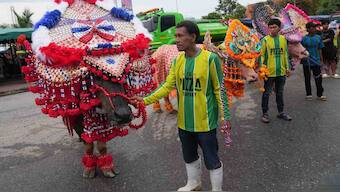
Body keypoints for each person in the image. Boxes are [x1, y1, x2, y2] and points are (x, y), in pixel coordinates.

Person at [132, 20, 231, 191]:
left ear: (192, 37)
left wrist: (225, 117)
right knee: (189, 155)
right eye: (175, 36)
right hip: (184, 122)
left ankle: (217, 189)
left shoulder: (210, 59)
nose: (176, 40)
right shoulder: (177, 61)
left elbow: (219, 90)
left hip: (205, 122)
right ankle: (194, 183)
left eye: (180, 36)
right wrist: (144, 100)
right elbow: (167, 86)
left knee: (211, 158)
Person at [259, 18, 292, 123]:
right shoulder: (265, 40)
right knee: (266, 93)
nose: (272, 29)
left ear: (279, 28)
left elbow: (286, 54)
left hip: (281, 72)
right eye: (270, 27)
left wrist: (288, 68)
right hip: (269, 73)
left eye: (274, 27)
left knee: (280, 93)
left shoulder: (283, 39)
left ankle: (281, 112)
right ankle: (265, 114)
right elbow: (262, 56)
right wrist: (262, 70)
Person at [301, 22, 327, 101]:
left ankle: (320, 94)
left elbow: (320, 49)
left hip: (316, 61)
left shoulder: (318, 37)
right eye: (312, 27)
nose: (314, 29)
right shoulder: (303, 38)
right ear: (308, 29)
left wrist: (321, 60)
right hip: (307, 62)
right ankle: (309, 94)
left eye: (314, 27)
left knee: (318, 78)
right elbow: (301, 50)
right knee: (307, 78)